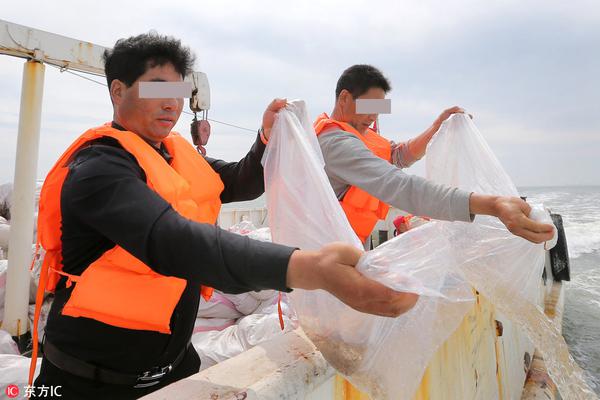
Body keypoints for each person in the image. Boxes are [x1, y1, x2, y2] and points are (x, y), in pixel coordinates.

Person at [30, 35, 418, 399]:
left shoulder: (172, 153)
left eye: (178, 91)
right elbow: (174, 241)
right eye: (157, 89)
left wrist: (265, 138)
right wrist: (311, 268)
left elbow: (237, 182)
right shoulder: (99, 167)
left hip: (174, 366)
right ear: (118, 91)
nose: (172, 103)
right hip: (88, 380)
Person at [314, 64, 554, 247]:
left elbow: (398, 155)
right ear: (344, 98)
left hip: (350, 244)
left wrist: (436, 128)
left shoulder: (361, 135)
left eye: (379, 111)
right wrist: (493, 204)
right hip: (324, 248)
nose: (373, 117)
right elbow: (397, 185)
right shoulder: (335, 143)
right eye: (369, 108)